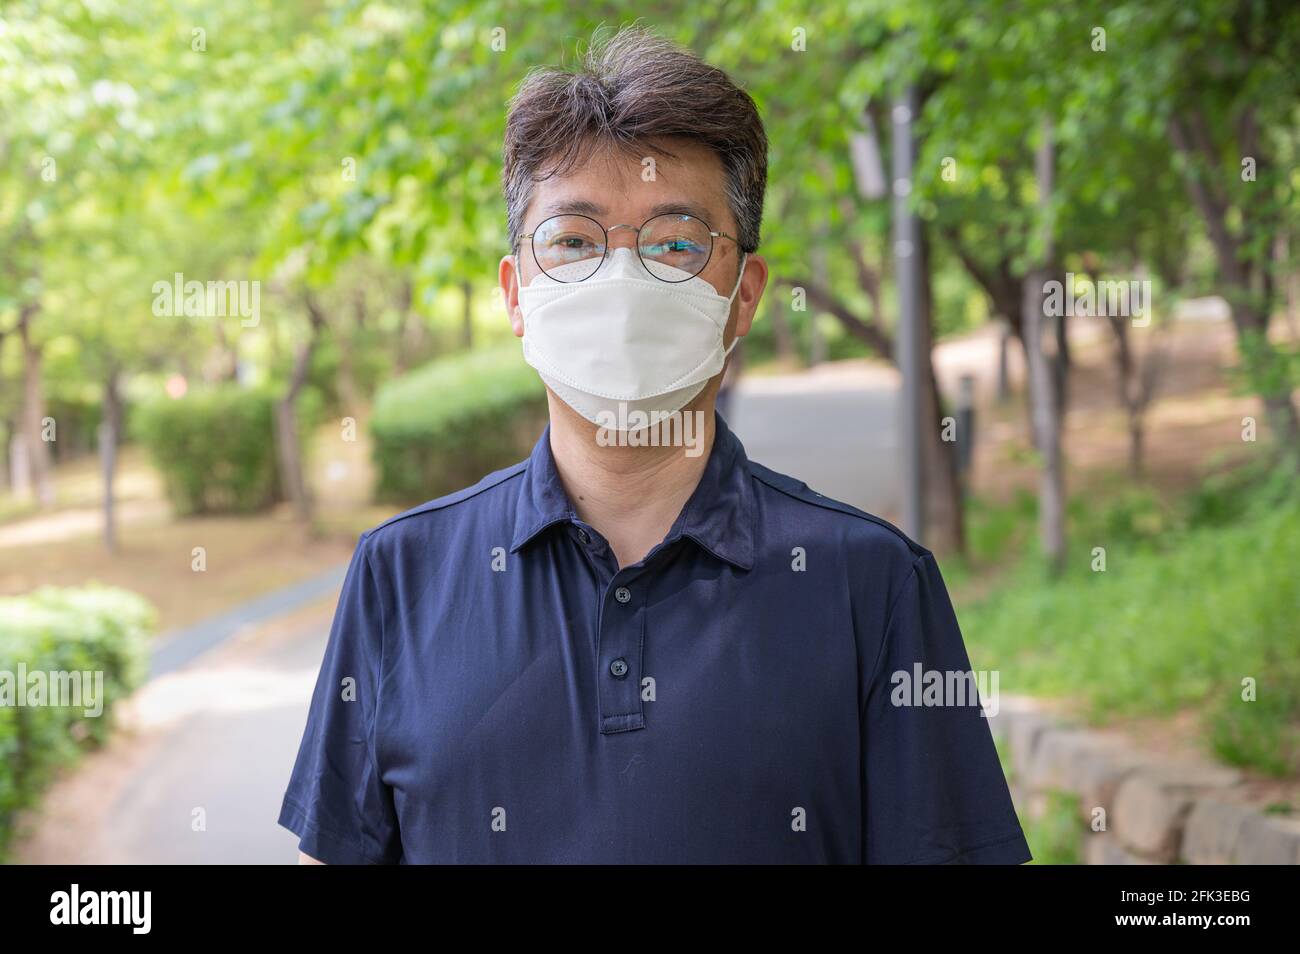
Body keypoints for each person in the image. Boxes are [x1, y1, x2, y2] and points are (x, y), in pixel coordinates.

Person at [279, 25, 1030, 865]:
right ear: (517, 293)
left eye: (675, 243)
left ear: (743, 296)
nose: (623, 282)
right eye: (573, 241)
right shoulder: (400, 577)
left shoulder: (873, 583)